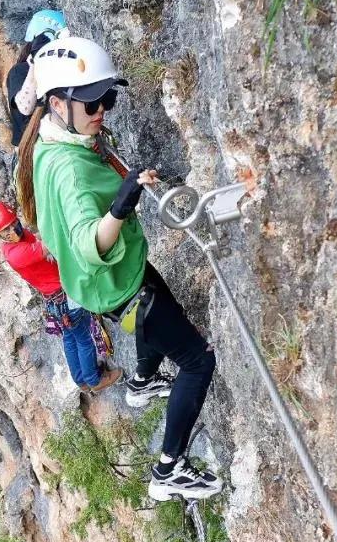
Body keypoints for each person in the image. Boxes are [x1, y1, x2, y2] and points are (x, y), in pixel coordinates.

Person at [14, 36, 222, 501]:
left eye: (106, 97)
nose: (101, 109)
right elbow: (90, 245)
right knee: (197, 361)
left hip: (119, 282)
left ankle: (144, 382)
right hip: (118, 286)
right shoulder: (67, 168)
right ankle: (169, 470)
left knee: (158, 313)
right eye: (90, 102)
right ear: (56, 103)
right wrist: (123, 202)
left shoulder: (51, 146)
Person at [0, 200, 122, 393]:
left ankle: (81, 380)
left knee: (70, 338)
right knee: (83, 338)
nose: (12, 232)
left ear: (16, 219)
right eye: (5, 231)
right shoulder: (16, 253)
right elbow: (49, 245)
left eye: (12, 225)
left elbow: (38, 239)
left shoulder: (19, 239)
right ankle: (95, 379)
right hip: (65, 297)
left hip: (54, 299)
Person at [5, 10, 68, 148]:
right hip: (31, 149)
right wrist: (37, 60)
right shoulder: (20, 71)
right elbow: (25, 107)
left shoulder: (56, 73)